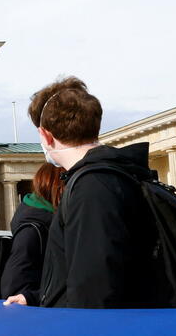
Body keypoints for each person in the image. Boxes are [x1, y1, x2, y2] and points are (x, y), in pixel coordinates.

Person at [9, 76, 157, 308]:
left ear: (45, 136)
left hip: (95, 334)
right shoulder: (109, 175)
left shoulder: (92, 187)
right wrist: (37, 297)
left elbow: (95, 292)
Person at [0, 164, 64, 306]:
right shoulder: (32, 230)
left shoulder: (45, 222)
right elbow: (14, 289)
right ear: (56, 186)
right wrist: (32, 297)